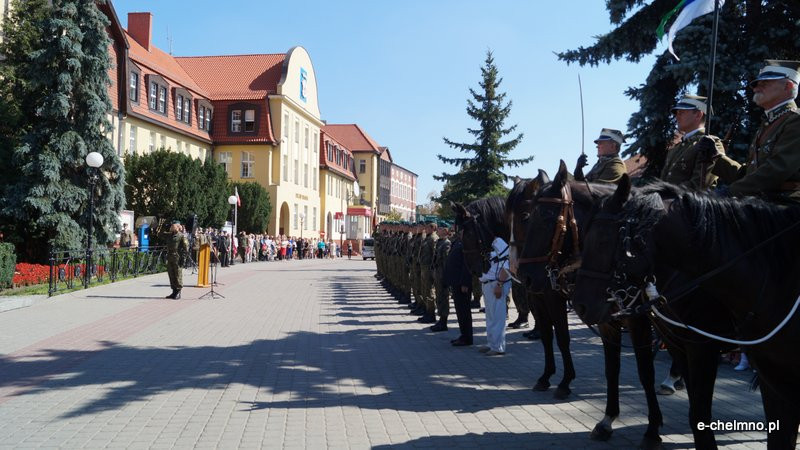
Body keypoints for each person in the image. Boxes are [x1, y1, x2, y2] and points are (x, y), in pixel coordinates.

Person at [709, 60, 800, 204]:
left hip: (786, 206)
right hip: (762, 203)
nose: (756, 87)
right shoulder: (768, 124)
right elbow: (749, 175)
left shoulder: (795, 121)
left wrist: (729, 192)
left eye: (765, 83)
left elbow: (777, 170)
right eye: (756, 83)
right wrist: (716, 157)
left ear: (788, 86)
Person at [661, 95, 724, 189]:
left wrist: (667, 193)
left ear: (698, 115)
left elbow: (699, 185)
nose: (677, 117)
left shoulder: (710, 144)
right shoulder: (677, 147)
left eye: (681, 112)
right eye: (677, 113)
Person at [478, 236, 512, 356]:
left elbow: (508, 264)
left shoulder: (499, 242)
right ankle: (491, 343)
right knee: (490, 316)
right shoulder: (486, 242)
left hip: (496, 283)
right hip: (487, 283)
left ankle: (498, 347)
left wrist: (500, 284)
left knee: (498, 316)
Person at [445, 228, 473, 346]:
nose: (459, 232)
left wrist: (465, 283)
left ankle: (467, 337)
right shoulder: (457, 242)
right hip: (456, 282)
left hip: (462, 284)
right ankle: (463, 335)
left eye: (461, 230)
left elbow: (467, 265)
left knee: (464, 311)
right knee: (460, 311)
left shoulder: (467, 245)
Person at [430, 223, 452, 332]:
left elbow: (447, 263)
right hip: (438, 274)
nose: (437, 230)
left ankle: (444, 321)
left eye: (439, 228)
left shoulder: (446, 244)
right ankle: (440, 320)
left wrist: (446, 278)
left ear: (445, 230)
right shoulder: (439, 242)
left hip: (443, 275)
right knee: (439, 297)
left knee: (444, 298)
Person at [165, 222, 189, 299]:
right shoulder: (170, 235)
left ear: (178, 227)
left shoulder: (181, 236)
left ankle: (178, 292)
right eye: (171, 226)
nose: (171, 227)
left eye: (173, 226)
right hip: (170, 257)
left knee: (178, 275)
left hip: (177, 258)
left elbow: (186, 249)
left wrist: (183, 259)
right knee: (171, 275)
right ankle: (174, 291)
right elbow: (159, 234)